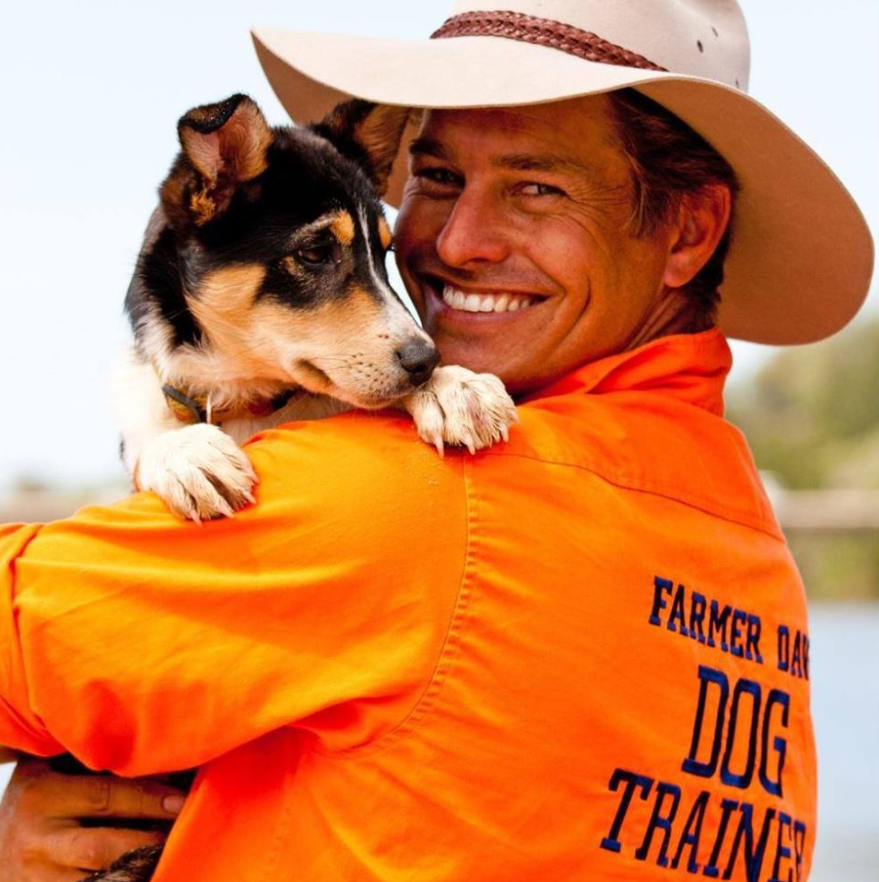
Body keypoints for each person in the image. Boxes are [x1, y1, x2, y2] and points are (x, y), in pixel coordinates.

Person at [0, 1, 873, 879]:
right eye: (437, 178)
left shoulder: (411, 501)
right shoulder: (750, 556)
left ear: (687, 230)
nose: (454, 243)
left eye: (536, 187)